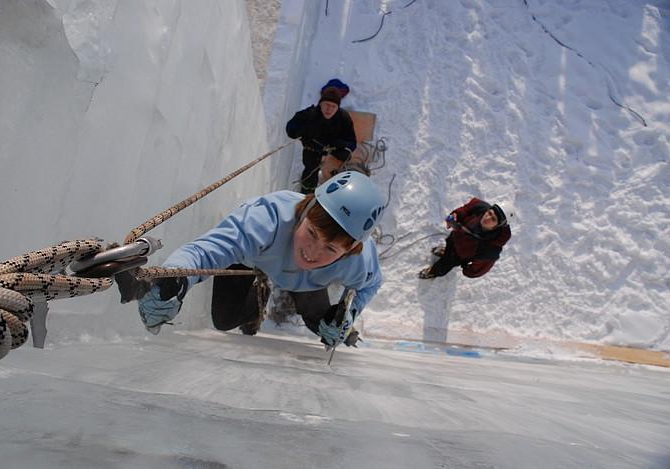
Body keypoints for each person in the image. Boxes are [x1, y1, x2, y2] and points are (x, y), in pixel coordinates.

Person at [116, 171, 386, 347]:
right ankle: (260, 293)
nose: (312, 253)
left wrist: (347, 314)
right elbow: (207, 251)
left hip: (309, 282)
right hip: (255, 259)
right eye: (312, 233)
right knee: (224, 320)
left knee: (325, 326)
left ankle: (324, 320)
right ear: (305, 211)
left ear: (349, 251)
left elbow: (371, 284)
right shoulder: (266, 218)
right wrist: (175, 280)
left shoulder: (357, 261)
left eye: (330, 249)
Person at [285, 86, 357, 194]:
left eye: (333, 106)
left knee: (336, 170)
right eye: (327, 105)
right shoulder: (310, 114)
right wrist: (302, 131)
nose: (329, 109)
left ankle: (332, 193)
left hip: (333, 152)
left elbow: (352, 142)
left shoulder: (343, 118)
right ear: (320, 104)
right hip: (312, 150)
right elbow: (290, 128)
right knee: (310, 172)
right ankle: (306, 194)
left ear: (337, 107)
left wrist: (341, 145)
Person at [418, 198, 511, 279]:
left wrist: (466, 269)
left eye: (493, 219)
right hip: (455, 237)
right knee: (449, 244)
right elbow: (465, 210)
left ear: (498, 226)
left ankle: (434, 272)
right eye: (489, 213)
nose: (487, 217)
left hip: (458, 255)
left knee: (443, 266)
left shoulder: (490, 249)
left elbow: (479, 269)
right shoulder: (480, 207)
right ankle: (444, 251)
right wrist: (455, 215)